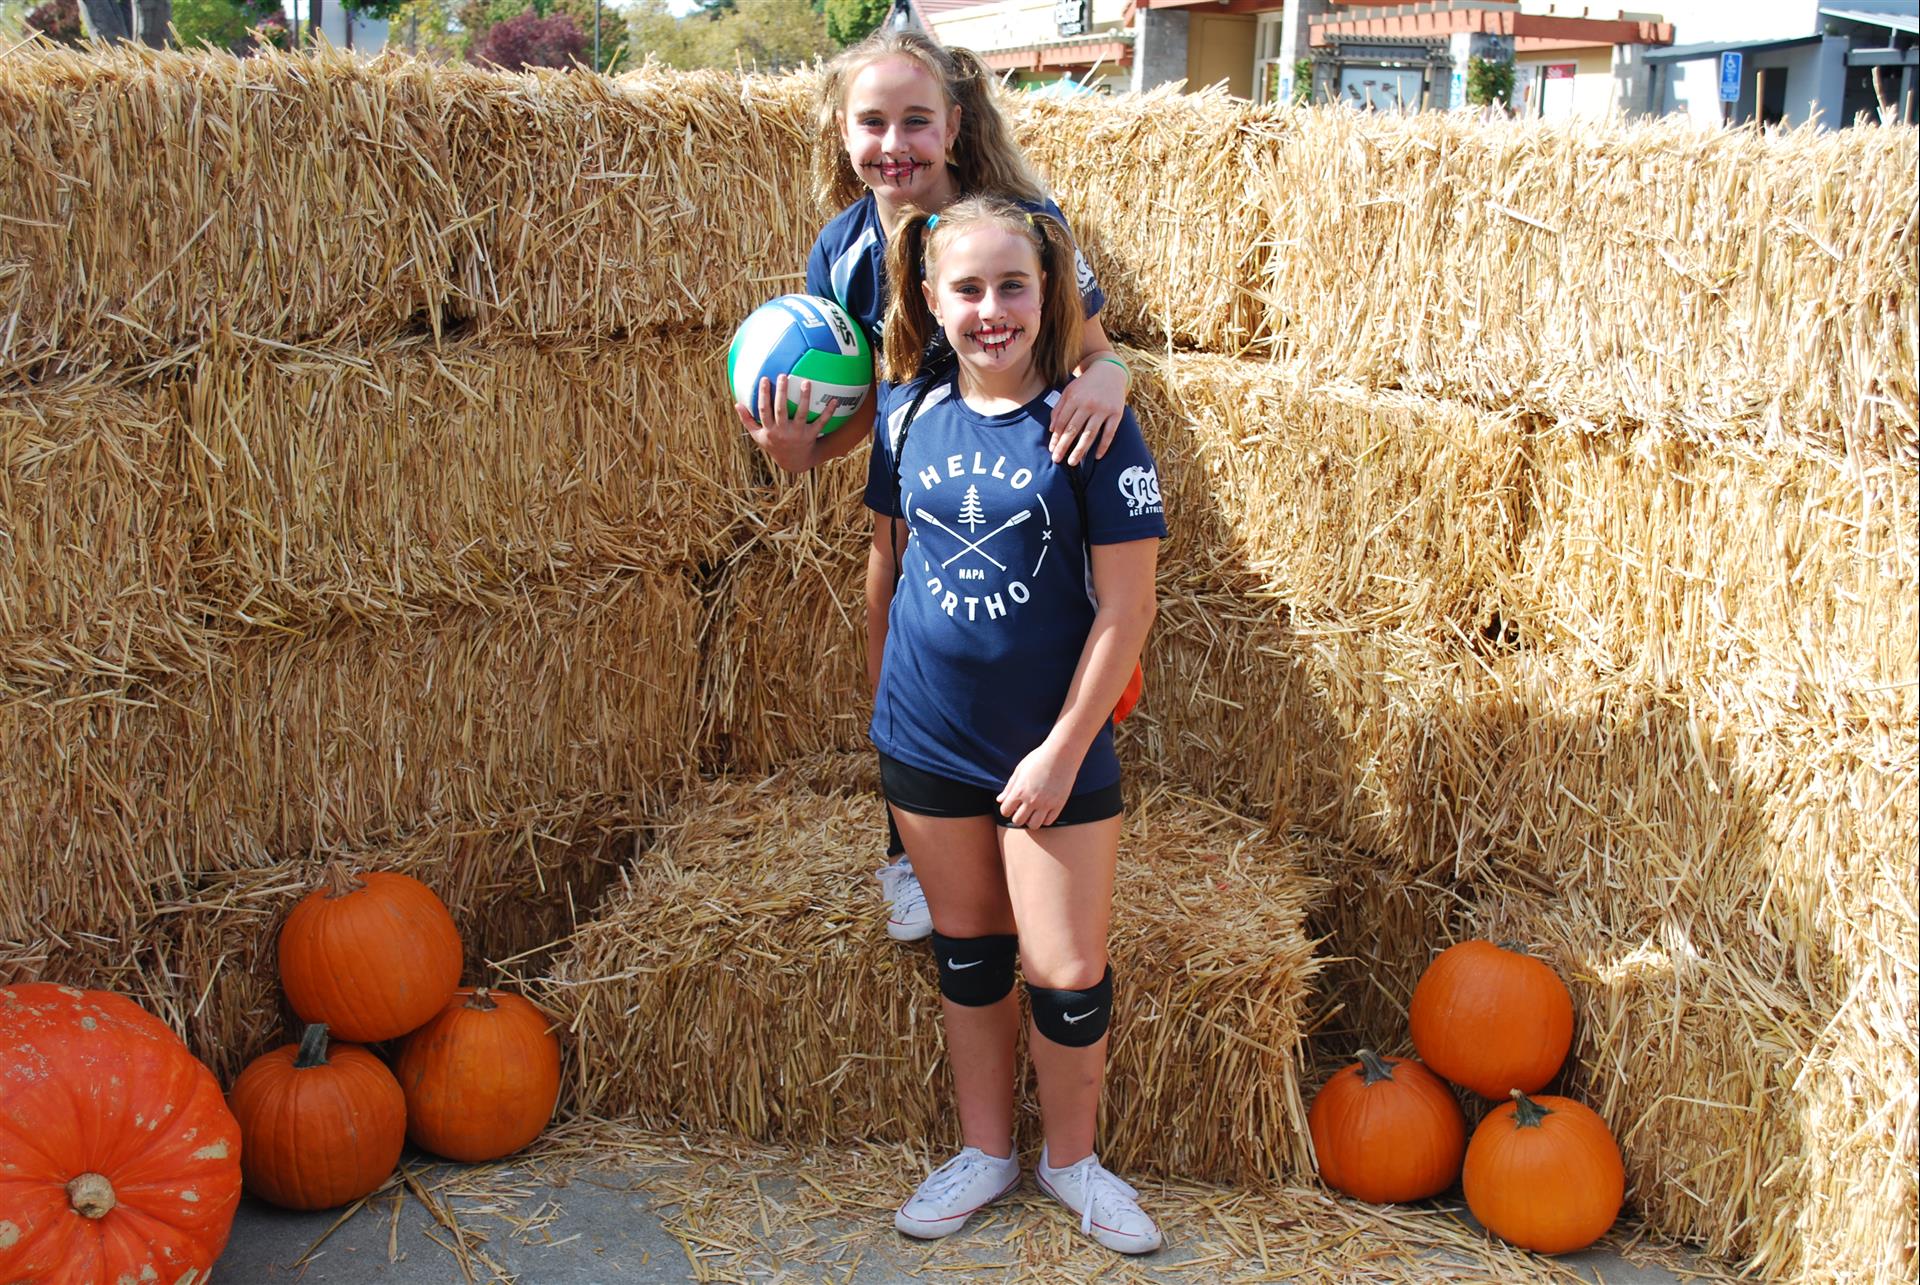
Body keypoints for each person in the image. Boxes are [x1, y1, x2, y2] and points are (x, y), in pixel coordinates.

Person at [734, 31, 1135, 944]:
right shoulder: (840, 252)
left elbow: (1088, 343)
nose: (894, 143)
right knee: (898, 624)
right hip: (914, 464)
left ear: (955, 128)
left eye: (916, 120)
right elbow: (853, 414)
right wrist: (796, 451)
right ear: (842, 133)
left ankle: (1051, 811)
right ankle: (908, 836)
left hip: (1009, 463)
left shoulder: (1022, 224)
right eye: (871, 122)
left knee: (1020, 633)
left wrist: (1109, 374)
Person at [866, 195, 1164, 1254]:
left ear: (1050, 295)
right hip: (927, 743)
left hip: (1052, 746)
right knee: (970, 957)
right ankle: (986, 1150)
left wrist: (1062, 749)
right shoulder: (906, 413)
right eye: (968, 289)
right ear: (932, 300)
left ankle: (1072, 1161)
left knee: (1066, 971)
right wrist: (884, 716)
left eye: (1013, 287)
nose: (991, 310)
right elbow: (890, 567)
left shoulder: (1093, 420)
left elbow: (1129, 608)